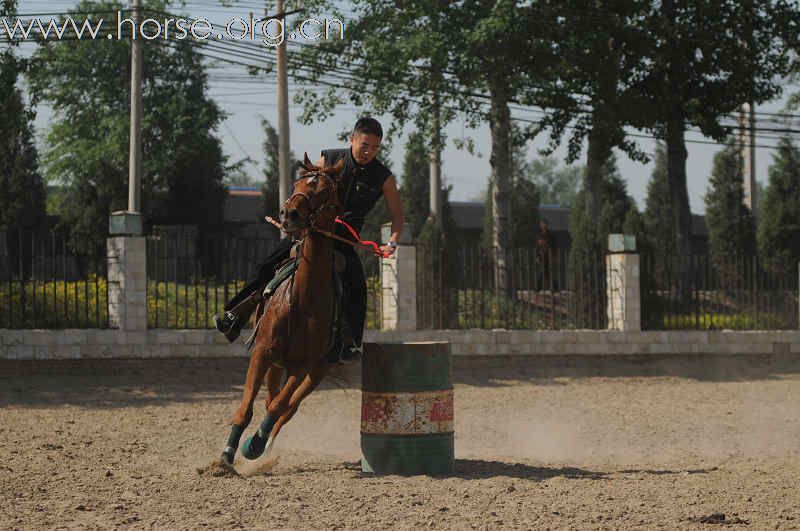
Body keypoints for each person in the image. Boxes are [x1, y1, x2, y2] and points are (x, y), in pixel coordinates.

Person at [214, 117, 404, 363]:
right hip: (312, 234)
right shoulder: (329, 158)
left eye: (375, 147)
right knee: (268, 265)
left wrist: (392, 242)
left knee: (357, 285)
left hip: (344, 242)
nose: (369, 152)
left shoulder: (383, 177)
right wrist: (294, 217)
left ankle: (351, 343)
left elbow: (398, 217)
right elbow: (306, 190)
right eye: (364, 145)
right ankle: (234, 315)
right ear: (352, 140)